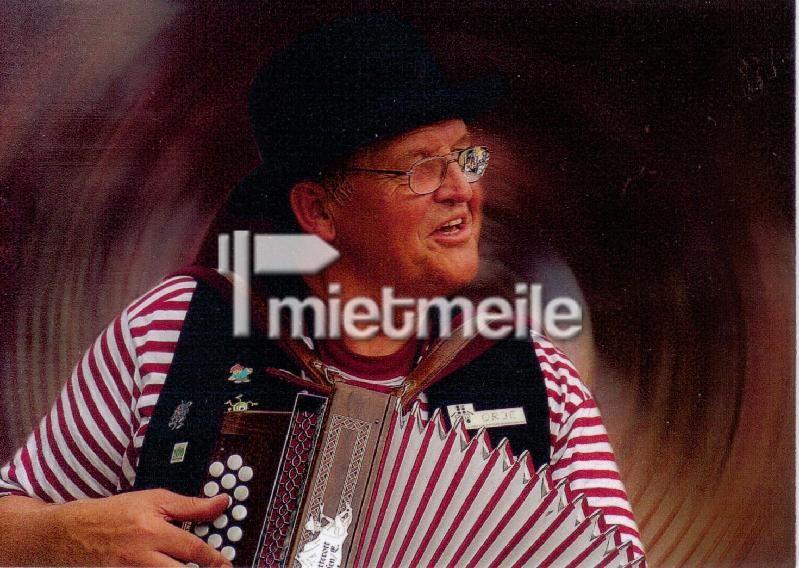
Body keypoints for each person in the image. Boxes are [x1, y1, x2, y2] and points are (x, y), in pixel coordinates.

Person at [0, 14, 644, 565]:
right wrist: (64, 536)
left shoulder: (539, 378)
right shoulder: (171, 333)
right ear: (318, 210)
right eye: (423, 166)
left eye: (466, 158)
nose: (463, 190)